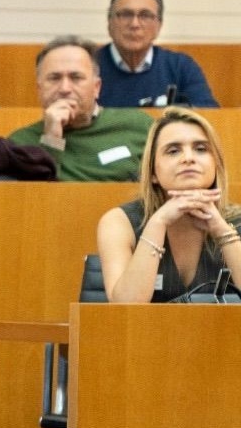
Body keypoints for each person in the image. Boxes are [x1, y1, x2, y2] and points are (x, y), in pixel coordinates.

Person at [97, 108, 241, 304]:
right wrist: (158, 222)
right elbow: (127, 308)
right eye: (173, 151)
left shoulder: (237, 220)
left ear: (216, 165)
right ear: (153, 172)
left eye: (200, 149)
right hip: (144, 334)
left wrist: (221, 230)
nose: (188, 158)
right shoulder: (119, 222)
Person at [9, 36, 153, 182]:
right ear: (39, 89)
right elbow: (35, 198)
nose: (65, 89)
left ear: (96, 88)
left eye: (76, 77)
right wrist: (52, 138)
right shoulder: (20, 143)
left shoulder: (139, 125)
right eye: (54, 78)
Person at [95, 0, 217, 109]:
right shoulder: (89, 66)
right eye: (126, 14)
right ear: (109, 23)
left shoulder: (180, 67)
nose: (135, 24)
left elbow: (209, 114)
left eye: (145, 15)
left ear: (159, 25)